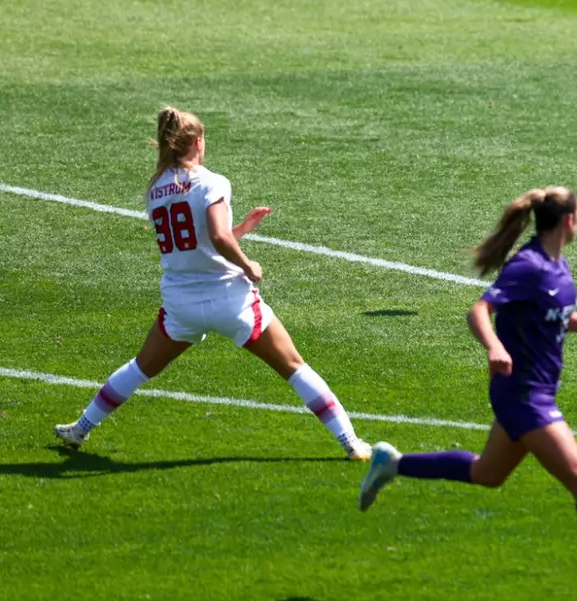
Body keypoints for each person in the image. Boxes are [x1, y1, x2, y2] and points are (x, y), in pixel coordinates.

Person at [357, 187, 577, 601]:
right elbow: (479, 310)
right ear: (569, 220)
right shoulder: (528, 266)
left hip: (538, 392)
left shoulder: (557, 266)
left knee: (487, 474)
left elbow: (555, 317)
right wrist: (493, 346)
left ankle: (393, 464)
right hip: (524, 395)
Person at [55, 108, 370, 459]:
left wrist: (243, 231)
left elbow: (195, 245)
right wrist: (247, 262)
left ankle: (81, 428)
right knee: (293, 367)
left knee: (140, 367)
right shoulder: (212, 182)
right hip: (229, 300)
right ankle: (350, 442)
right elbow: (218, 238)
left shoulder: (156, 189)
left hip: (182, 305)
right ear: (198, 142)